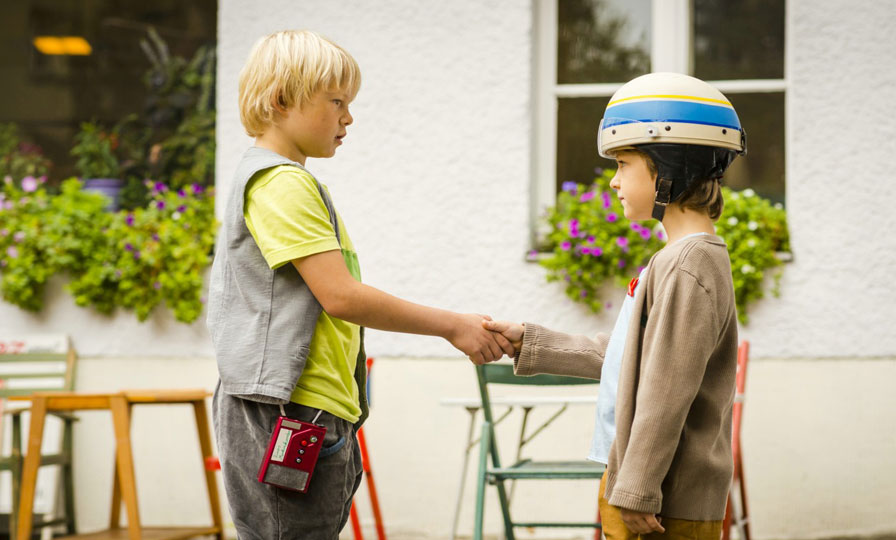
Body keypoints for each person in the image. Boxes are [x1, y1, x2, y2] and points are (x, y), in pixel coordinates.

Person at [206, 30, 512, 539]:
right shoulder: (280, 183)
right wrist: (452, 326)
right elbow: (340, 295)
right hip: (289, 415)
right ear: (282, 100)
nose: (348, 117)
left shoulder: (293, 183)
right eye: (337, 102)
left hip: (312, 412)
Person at [484, 72, 746, 539]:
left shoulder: (689, 265)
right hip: (639, 483)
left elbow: (667, 388)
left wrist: (638, 489)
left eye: (624, 164)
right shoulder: (678, 259)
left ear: (669, 168)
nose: (614, 181)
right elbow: (632, 359)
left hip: (665, 497)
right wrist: (533, 342)